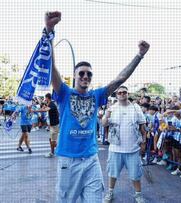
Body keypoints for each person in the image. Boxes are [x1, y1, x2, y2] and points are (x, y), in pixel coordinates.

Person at [44, 11, 150, 203]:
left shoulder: (97, 95)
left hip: (91, 160)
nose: (85, 77)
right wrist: (50, 30)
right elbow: (52, 68)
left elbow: (120, 79)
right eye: (82, 73)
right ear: (75, 76)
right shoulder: (64, 93)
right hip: (69, 161)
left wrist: (139, 55)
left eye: (89, 74)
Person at [100, 86, 146, 203]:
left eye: (124, 92)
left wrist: (144, 142)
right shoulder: (112, 108)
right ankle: (110, 192)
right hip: (115, 148)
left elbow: (142, 127)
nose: (121, 94)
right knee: (112, 173)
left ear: (127, 93)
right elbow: (104, 124)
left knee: (135, 174)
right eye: (119, 92)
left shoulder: (136, 108)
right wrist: (107, 114)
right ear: (116, 95)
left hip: (133, 148)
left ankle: (138, 195)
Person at [33, 93, 60, 158]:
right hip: (52, 125)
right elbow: (44, 108)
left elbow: (44, 110)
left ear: (47, 98)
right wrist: (44, 104)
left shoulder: (52, 104)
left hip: (54, 125)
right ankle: (56, 150)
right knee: (51, 140)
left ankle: (54, 152)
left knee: (52, 140)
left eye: (45, 98)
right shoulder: (50, 104)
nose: (45, 99)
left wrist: (34, 110)